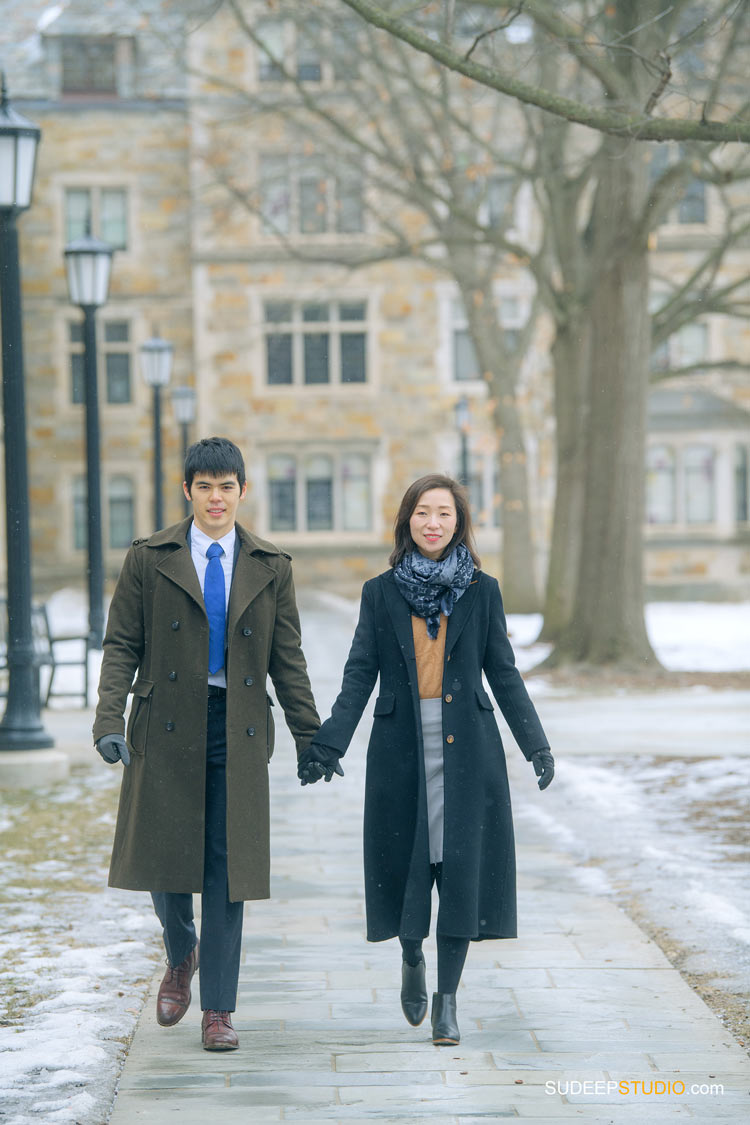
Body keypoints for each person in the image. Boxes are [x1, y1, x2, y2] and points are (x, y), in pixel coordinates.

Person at [297, 473, 554, 1046]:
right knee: (407, 866)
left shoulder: (482, 591)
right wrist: (328, 744)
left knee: (458, 873)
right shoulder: (380, 592)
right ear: (406, 522)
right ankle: (411, 952)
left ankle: (448, 1002)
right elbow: (360, 673)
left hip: (470, 754)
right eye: (422, 513)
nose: (432, 523)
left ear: (459, 522)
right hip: (400, 753)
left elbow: (504, 672)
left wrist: (536, 744)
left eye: (443, 513)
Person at [93, 436, 319, 1051]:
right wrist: (108, 720)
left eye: (226, 486)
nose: (216, 498)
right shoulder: (150, 557)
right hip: (165, 724)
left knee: (227, 871)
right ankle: (180, 948)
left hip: (238, 729)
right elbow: (122, 646)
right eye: (204, 487)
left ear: (242, 491)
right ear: (187, 491)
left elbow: (287, 659)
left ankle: (218, 1010)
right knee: (166, 863)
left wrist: (311, 737)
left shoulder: (272, 565)